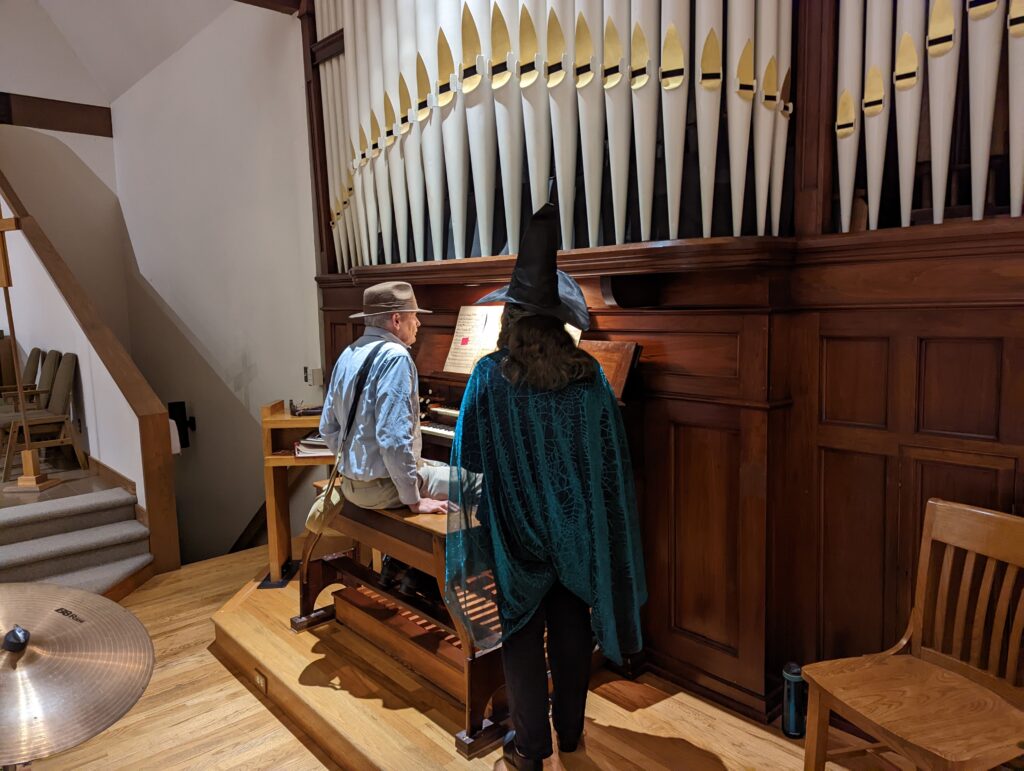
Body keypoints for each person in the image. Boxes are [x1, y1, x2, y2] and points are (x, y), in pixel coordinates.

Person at [445, 205, 647, 770]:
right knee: (570, 629)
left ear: (511, 318)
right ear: (560, 320)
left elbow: (469, 462)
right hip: (576, 532)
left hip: (516, 534)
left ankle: (530, 749)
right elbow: (609, 464)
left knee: (520, 633)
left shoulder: (489, 375)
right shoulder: (589, 378)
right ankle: (573, 734)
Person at [320, 280, 447, 598]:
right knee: (477, 485)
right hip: (384, 490)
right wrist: (413, 500)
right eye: (414, 315)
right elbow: (392, 440)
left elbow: (327, 427)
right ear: (396, 320)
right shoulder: (396, 357)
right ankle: (428, 578)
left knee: (435, 466)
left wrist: (354, 465)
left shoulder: (350, 352)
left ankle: (400, 566)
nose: (418, 322)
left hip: (351, 485)